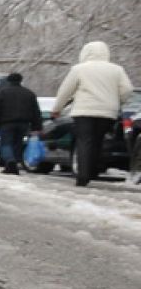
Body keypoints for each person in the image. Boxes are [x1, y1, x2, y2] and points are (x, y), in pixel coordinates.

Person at [52, 40, 135, 187]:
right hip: (107, 112)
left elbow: (65, 91)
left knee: (84, 141)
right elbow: (127, 89)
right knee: (97, 141)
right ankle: (92, 171)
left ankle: (83, 175)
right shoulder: (117, 70)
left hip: (84, 111)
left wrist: (57, 109)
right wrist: (117, 101)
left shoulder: (79, 69)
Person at [0, 72, 42, 176]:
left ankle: (10, 162)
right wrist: (36, 126)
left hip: (6, 123)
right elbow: (35, 111)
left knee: (6, 143)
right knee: (18, 143)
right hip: (23, 123)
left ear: (9, 80)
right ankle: (15, 162)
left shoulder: (2, 92)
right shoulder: (29, 93)